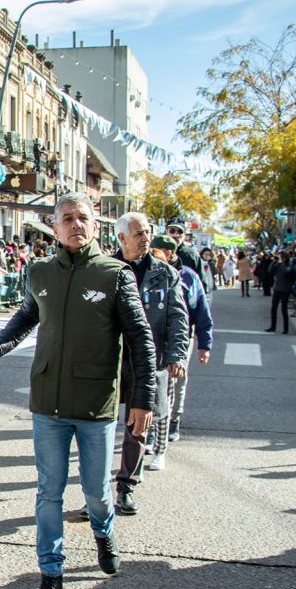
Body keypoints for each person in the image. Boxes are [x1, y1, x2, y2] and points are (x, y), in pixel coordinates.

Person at [0, 196, 156, 589]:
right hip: (47, 402)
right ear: (54, 227)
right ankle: (51, 573)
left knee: (96, 491)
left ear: (95, 226)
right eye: (67, 219)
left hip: (95, 404)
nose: (75, 225)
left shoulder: (115, 274)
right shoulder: (39, 271)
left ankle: (104, 533)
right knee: (48, 491)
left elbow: (141, 340)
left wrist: (142, 400)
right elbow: (26, 317)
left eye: (82, 218)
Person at [112, 212, 188, 504]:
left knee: (138, 425)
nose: (146, 239)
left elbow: (177, 317)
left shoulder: (165, 273)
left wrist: (176, 355)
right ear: (122, 238)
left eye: (147, 232)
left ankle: (126, 486)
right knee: (102, 424)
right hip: (112, 359)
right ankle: (93, 489)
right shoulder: (106, 268)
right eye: (139, 234)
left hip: (148, 360)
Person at [151, 234, 211, 444]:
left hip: (183, 335)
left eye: (155, 251)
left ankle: (173, 420)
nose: (150, 254)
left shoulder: (189, 277)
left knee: (177, 382)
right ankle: (152, 426)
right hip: (155, 336)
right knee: (154, 383)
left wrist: (205, 345)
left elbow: (202, 312)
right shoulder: (149, 272)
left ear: (168, 253)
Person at [267, 252, 296, 333]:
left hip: (285, 288)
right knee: (273, 308)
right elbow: (270, 271)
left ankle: (285, 328)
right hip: (277, 287)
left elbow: (286, 272)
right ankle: (272, 326)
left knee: (283, 308)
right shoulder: (278, 264)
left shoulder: (289, 265)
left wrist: (282, 263)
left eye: (281, 257)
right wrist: (274, 261)